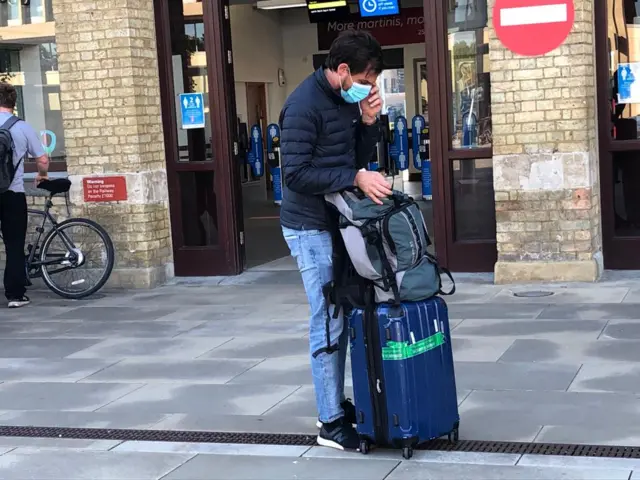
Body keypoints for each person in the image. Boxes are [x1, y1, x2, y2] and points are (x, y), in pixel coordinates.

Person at [279, 31, 392, 451]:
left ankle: (337, 403)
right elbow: (296, 174)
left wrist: (366, 123)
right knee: (327, 320)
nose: (369, 85)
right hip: (308, 227)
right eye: (365, 77)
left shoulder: (347, 101)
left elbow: (355, 158)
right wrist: (355, 178)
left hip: (341, 222)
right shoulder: (302, 106)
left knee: (343, 314)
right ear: (343, 71)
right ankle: (329, 421)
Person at [0, 82, 49, 308]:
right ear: (13, 102)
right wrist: (42, 175)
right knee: (14, 243)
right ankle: (15, 295)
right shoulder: (22, 127)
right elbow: (42, 159)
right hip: (12, 192)